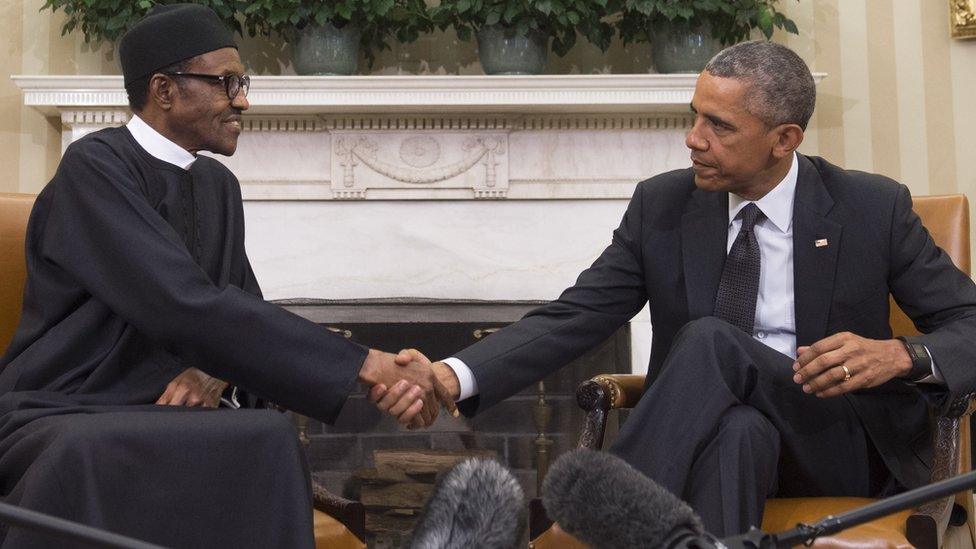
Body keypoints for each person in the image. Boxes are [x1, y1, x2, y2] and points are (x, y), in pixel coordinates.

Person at [387, 40, 976, 536]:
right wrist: (448, 375)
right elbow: (578, 316)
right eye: (694, 116)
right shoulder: (664, 205)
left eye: (718, 126)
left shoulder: (871, 208)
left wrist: (903, 354)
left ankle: (607, 516)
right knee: (737, 432)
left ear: (785, 138)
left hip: (832, 439)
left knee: (711, 341)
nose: (693, 139)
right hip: (724, 439)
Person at [0, 4, 453, 547]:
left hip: (172, 413)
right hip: (71, 403)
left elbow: (239, 309)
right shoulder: (94, 167)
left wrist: (217, 371)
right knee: (87, 448)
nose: (242, 99)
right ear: (165, 90)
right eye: (226, 82)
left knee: (268, 434)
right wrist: (368, 364)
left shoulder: (218, 185)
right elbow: (179, 302)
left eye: (242, 82)